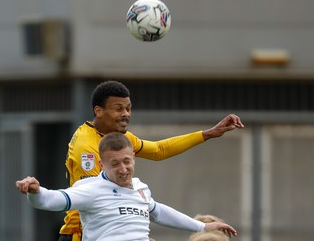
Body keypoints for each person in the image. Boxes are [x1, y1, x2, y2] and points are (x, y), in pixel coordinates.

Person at [60, 80, 244, 241]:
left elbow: (158, 150)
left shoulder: (116, 138)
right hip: (82, 233)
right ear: (98, 111)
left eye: (128, 108)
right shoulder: (87, 149)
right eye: (118, 109)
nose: (125, 114)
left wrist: (207, 134)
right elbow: (102, 202)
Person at [16, 132, 238, 241]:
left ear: (134, 159)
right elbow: (52, 200)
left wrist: (201, 227)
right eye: (115, 164)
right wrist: (36, 191)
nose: (123, 169)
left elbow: (158, 212)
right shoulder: (90, 188)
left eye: (126, 162)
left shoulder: (141, 188)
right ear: (102, 164)